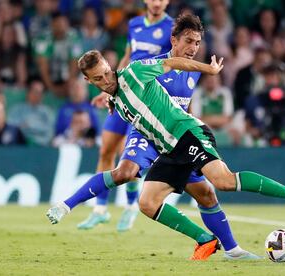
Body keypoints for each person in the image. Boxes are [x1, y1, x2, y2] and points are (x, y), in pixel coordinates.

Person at [47, 49, 285, 260]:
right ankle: (207, 240)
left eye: (107, 73)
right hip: (170, 150)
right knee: (148, 203)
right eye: (98, 79)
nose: (106, 80)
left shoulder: (132, 72)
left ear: (110, 66)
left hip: (188, 133)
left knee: (224, 182)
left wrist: (208, 69)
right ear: (88, 80)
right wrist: (108, 99)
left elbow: (173, 62)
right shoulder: (116, 100)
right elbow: (119, 100)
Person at [78, 14, 259, 261]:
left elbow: (183, 108)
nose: (193, 47)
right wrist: (110, 94)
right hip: (146, 133)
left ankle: (231, 250)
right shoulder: (153, 61)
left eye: (197, 43)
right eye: (189, 41)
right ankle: (114, 207)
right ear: (174, 39)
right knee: (126, 169)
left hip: (178, 139)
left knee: (206, 194)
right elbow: (127, 82)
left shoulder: (193, 72)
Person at [80, 0, 173, 233]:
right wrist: (110, 83)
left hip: (146, 97)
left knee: (128, 157)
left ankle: (131, 207)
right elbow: (128, 56)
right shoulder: (134, 24)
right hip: (121, 90)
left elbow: (172, 63)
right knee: (106, 150)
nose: (156, 3)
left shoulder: (172, 27)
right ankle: (100, 210)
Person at [8, 79, 54, 146]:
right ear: (28, 92)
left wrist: (30, 126)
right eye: (36, 92)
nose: (38, 95)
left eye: (41, 92)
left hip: (42, 148)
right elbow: (10, 128)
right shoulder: (16, 109)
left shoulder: (48, 112)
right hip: (20, 146)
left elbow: (50, 132)